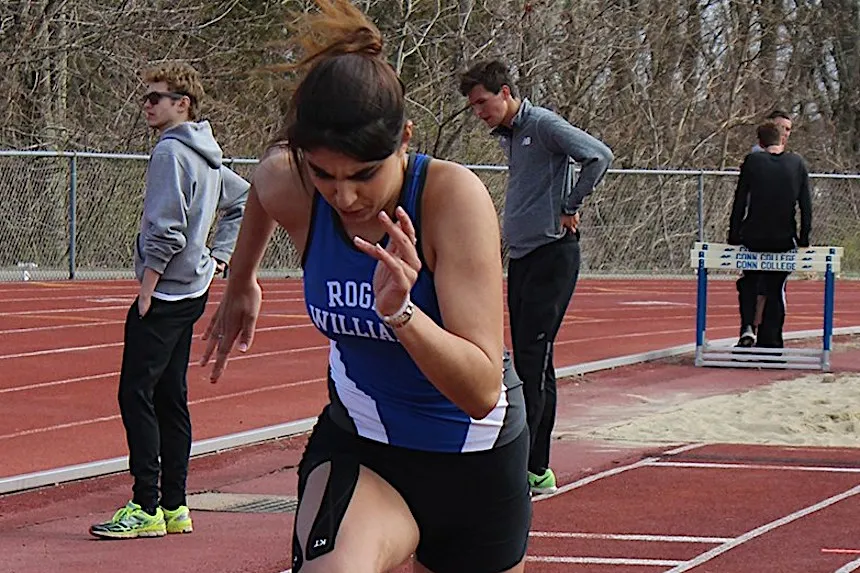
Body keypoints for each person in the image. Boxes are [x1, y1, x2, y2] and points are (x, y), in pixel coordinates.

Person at [200, 2, 530, 571]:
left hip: (474, 463)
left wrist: (403, 314)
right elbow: (264, 179)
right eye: (325, 174)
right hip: (364, 448)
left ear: (404, 138)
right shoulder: (296, 184)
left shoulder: (452, 200)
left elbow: (479, 391)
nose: (345, 197)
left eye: (363, 175)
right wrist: (242, 279)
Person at [90, 62, 249, 539]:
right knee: (170, 395)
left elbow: (167, 227)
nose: (147, 104)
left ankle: (146, 506)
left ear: (183, 104)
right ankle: (176, 506)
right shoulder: (208, 155)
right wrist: (217, 258)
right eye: (146, 96)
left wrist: (148, 286)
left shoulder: (170, 154)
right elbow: (244, 199)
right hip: (193, 291)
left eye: (156, 97)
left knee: (134, 394)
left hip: (165, 293)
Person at [458, 60, 613, 494]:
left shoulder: (542, 124)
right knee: (531, 363)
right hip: (524, 257)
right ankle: (533, 466)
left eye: (483, 103)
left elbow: (599, 155)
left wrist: (570, 203)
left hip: (552, 255)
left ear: (505, 92)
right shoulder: (510, 135)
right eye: (473, 107)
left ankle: (530, 467)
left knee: (531, 360)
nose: (479, 113)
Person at [729, 120, 812, 349]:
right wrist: (804, 238)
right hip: (783, 238)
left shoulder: (752, 161)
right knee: (776, 288)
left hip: (754, 236)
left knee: (749, 282)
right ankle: (772, 341)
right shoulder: (797, 163)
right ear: (781, 140)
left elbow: (740, 201)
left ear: (760, 142)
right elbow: (806, 205)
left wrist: (734, 234)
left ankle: (748, 326)